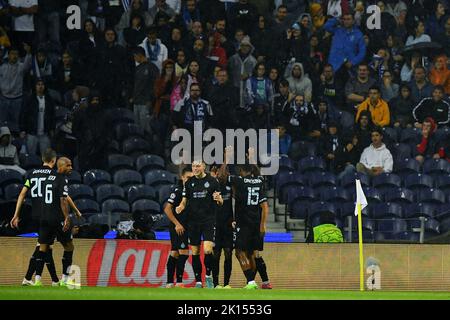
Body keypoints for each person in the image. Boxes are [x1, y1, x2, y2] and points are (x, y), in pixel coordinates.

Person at [219, 147, 269, 289]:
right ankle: (257, 282)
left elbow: (222, 177)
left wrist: (226, 159)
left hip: (243, 223)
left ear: (241, 171)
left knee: (239, 252)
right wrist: (252, 158)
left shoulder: (239, 181)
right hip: (256, 223)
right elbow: (258, 173)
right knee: (252, 253)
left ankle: (251, 282)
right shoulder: (259, 181)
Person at [175, 160, 223, 289]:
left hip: (208, 220)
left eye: (198, 166)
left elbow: (220, 200)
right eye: (193, 166)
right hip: (193, 221)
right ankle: (198, 281)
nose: (195, 168)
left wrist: (219, 200)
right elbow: (184, 201)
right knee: (195, 252)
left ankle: (208, 277)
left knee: (207, 249)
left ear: (203, 167)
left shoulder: (213, 181)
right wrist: (180, 206)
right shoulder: (189, 183)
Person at [163, 166, 193, 288]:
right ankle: (179, 281)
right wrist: (177, 224)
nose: (190, 180)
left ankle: (170, 282)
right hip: (178, 227)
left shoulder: (192, 192)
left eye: (192, 178)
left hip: (185, 226)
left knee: (175, 253)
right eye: (188, 178)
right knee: (184, 253)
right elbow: (167, 209)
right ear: (182, 177)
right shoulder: (178, 191)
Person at [324, 12, 366, 85]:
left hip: (349, 67)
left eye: (348, 19)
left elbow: (362, 52)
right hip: (334, 66)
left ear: (353, 21)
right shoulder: (337, 30)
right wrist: (337, 19)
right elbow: (326, 26)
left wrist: (353, 62)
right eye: (344, 19)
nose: (346, 21)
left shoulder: (358, 34)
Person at [210, 165, 234, 289]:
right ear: (216, 173)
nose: (224, 174)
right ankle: (215, 283)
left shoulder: (231, 187)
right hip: (215, 225)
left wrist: (235, 219)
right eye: (221, 171)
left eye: (226, 171)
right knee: (216, 254)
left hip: (228, 225)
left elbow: (237, 203)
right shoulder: (212, 187)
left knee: (228, 253)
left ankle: (226, 284)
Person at [0, 44, 32, 132]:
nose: (15, 56)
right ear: (8, 55)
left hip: (17, 99)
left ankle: (14, 139)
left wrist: (28, 53)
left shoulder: (21, 67)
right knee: (2, 122)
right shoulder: (2, 67)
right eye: (12, 54)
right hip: (3, 98)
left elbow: (28, 64)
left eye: (16, 54)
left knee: (15, 122)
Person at [20, 79, 55, 156]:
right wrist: (23, 129)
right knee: (31, 155)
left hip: (45, 133)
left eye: (42, 84)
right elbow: (23, 115)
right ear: (35, 86)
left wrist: (52, 128)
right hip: (32, 132)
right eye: (38, 84)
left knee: (46, 157)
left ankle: (45, 168)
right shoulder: (29, 99)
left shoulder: (49, 100)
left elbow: (52, 115)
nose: (40, 86)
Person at [130, 46, 159, 131]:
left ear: (139, 55)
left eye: (135, 56)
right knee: (137, 127)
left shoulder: (152, 68)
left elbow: (155, 85)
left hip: (146, 102)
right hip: (137, 102)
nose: (134, 59)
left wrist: (150, 99)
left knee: (146, 128)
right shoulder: (138, 68)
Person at [227, 36, 257, 109]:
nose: (244, 48)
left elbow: (256, 75)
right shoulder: (233, 59)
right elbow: (229, 72)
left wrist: (249, 75)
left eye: (247, 46)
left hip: (247, 91)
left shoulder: (253, 61)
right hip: (234, 89)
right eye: (243, 45)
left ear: (250, 47)